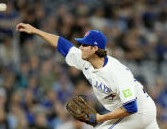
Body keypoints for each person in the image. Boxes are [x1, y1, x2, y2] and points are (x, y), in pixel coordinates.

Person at [16, 23, 159, 129]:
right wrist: (35, 31)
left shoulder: (116, 72)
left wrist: (100, 117)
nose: (80, 47)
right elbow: (63, 45)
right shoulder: (86, 61)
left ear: (94, 49)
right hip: (135, 111)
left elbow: (131, 107)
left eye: (84, 45)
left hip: (140, 112)